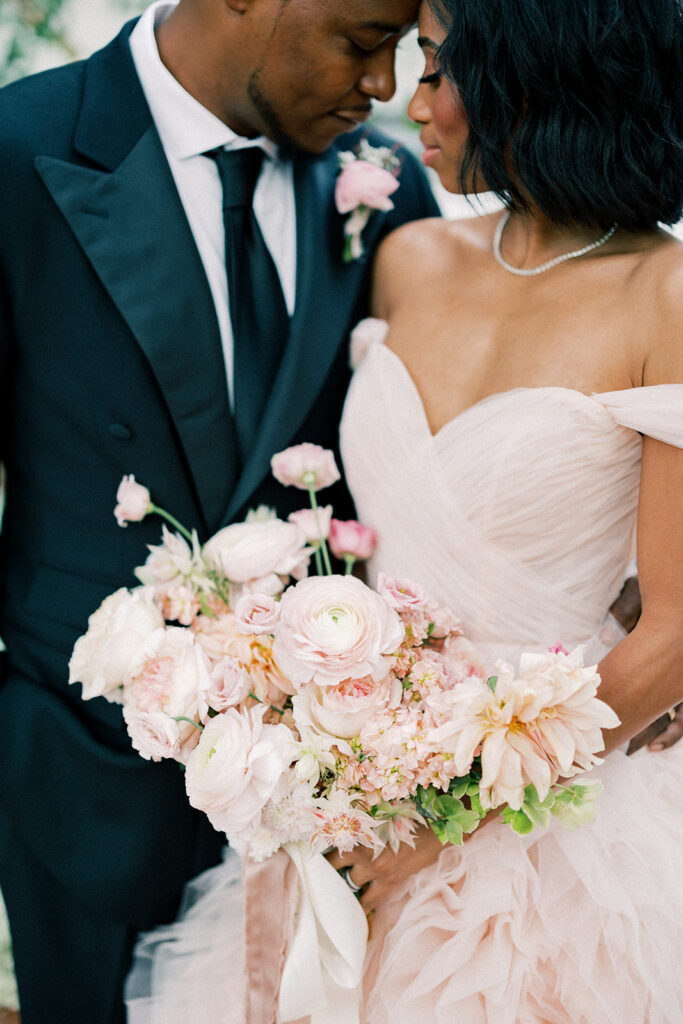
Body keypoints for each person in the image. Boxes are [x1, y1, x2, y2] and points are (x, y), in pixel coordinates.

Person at [125, 0, 683, 1021]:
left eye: (433, 67)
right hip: (345, 790)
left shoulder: (667, 292)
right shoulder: (406, 257)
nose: (406, 101)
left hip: (552, 826)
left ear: (535, 77)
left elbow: (675, 631)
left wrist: (441, 818)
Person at [0, 0, 440, 1020]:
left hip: (333, 804)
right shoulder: (20, 150)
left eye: (401, 50)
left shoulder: (383, 182)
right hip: (84, 773)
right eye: (365, 40)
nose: (383, 85)